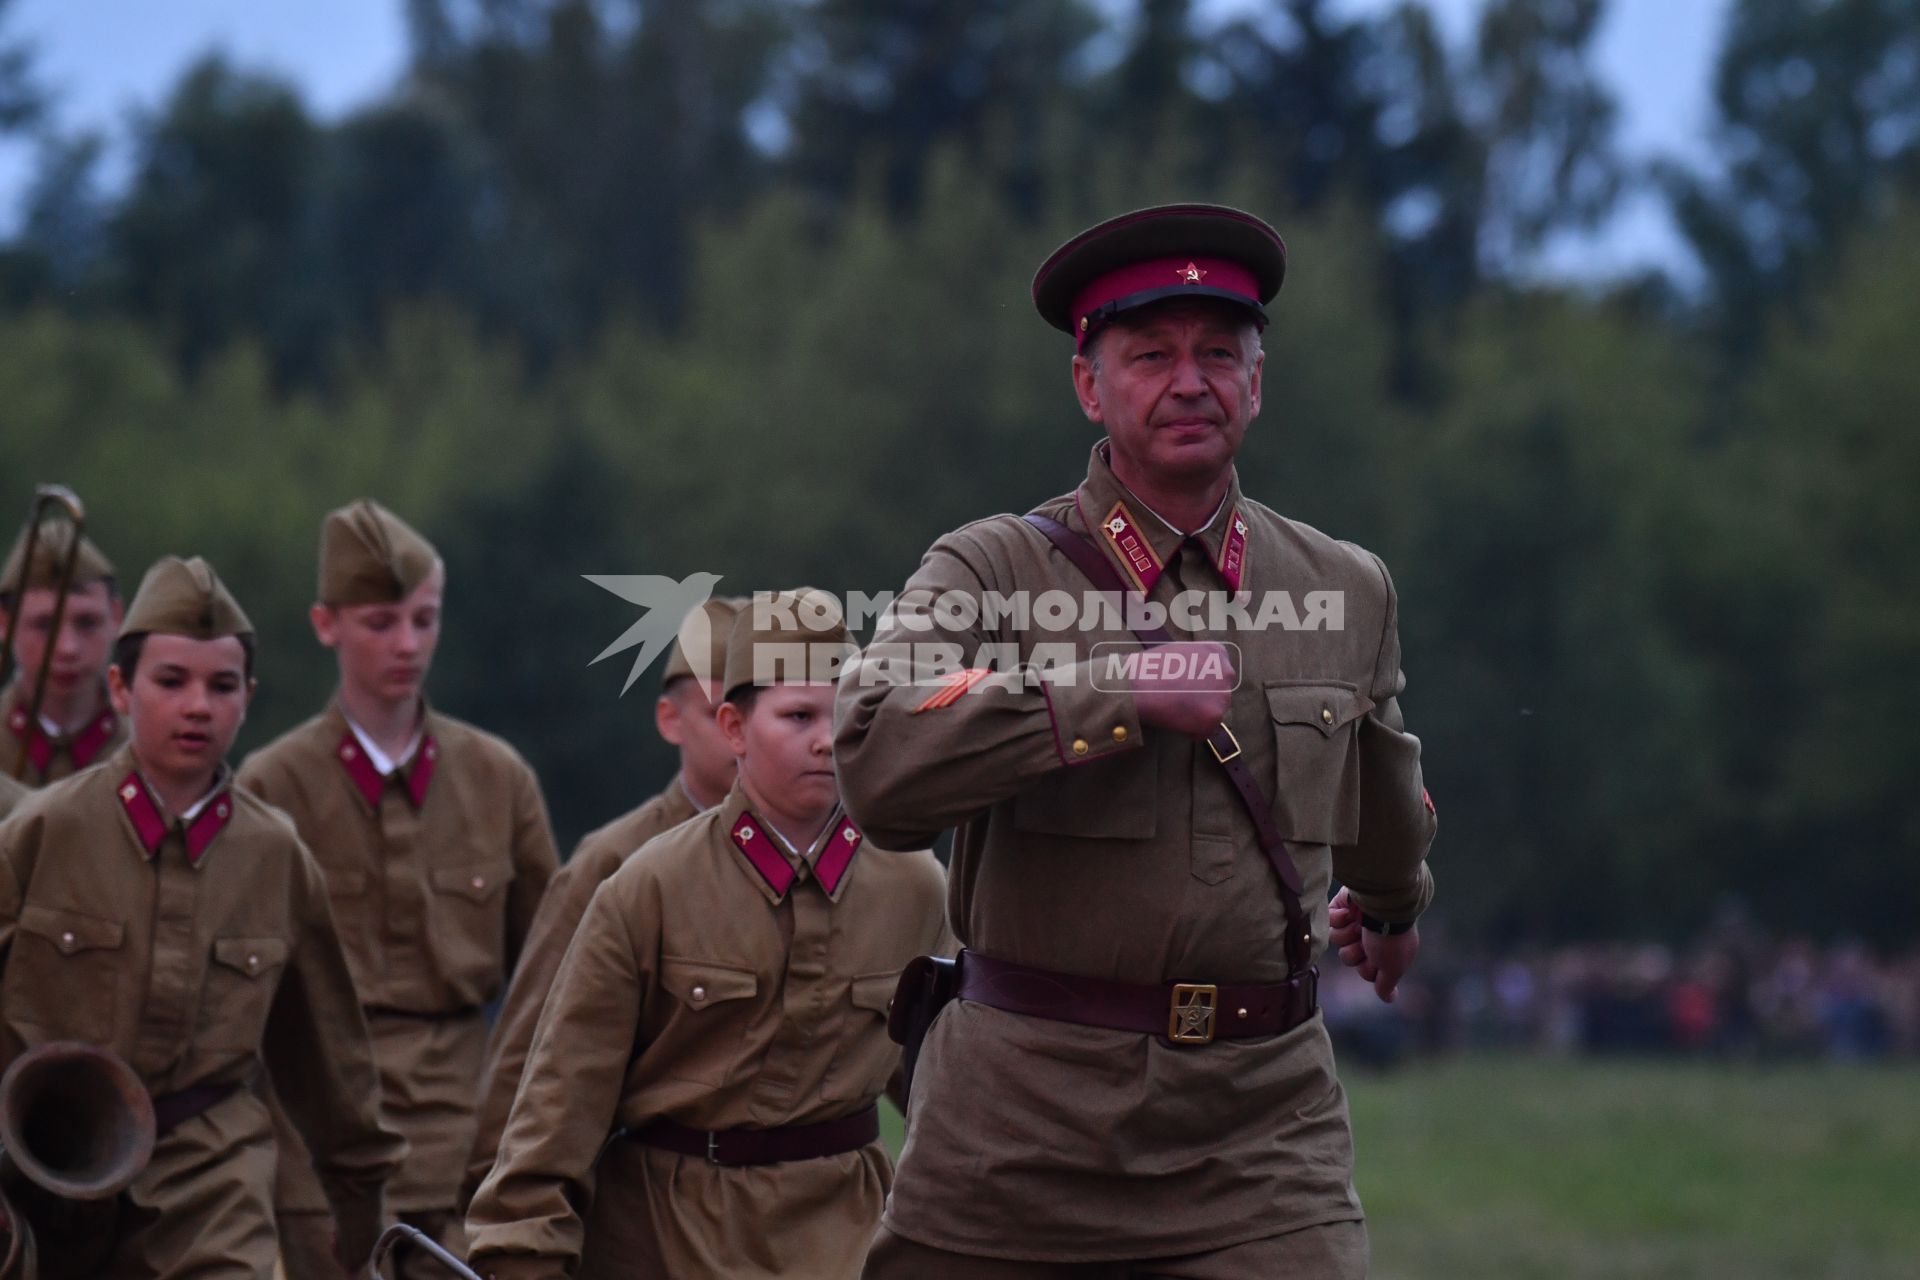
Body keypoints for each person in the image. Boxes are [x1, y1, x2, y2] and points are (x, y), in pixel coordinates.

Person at [834, 203, 1439, 1278]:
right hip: (1016, 1136)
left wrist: (1391, 905)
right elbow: (879, 756)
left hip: (1261, 1135)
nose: (1190, 381)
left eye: (1219, 353)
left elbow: (1379, 776)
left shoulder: (1345, 585)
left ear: (1259, 377)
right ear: (1089, 384)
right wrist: (1113, 691)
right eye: (1150, 355)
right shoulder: (989, 570)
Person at [465, 589, 951, 1280]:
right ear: (732, 727)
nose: (824, 739)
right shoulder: (648, 884)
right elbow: (558, 1102)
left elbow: (952, 1095)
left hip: (846, 1237)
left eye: (842, 715)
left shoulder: (914, 884)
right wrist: (517, 1258)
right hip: (668, 1239)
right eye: (797, 716)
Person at [0, 555, 402, 1278]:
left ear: (249, 696)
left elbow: (330, 1058)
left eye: (222, 686)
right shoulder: (43, 831)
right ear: (120, 688)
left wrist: (361, 1212)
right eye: (171, 681)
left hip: (207, 1176)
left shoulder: (275, 856)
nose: (197, 707)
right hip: (38, 1180)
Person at [237, 499, 559, 1279]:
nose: (408, 644)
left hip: (467, 1145)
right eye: (381, 622)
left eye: (424, 618)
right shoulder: (274, 788)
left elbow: (554, 979)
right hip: (320, 1153)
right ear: (327, 624)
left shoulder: (496, 779)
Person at [463, 595, 747, 1203]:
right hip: (653, 1204)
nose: (741, 734)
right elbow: (529, 1052)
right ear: (670, 720)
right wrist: (498, 1212)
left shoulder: (848, 863)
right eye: (720, 711)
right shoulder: (614, 865)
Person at [1, 519, 128, 785]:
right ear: (5, 623)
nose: (68, 648)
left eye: (87, 622)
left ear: (116, 616)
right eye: (43, 625)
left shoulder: (152, 754)